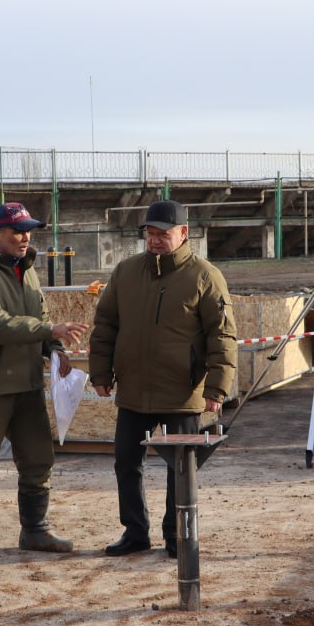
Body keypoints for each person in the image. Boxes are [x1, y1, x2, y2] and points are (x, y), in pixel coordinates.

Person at [88, 199, 237, 558]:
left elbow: (222, 335)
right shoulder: (125, 272)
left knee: (179, 470)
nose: (154, 240)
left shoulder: (205, 276)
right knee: (126, 462)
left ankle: (176, 537)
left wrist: (217, 388)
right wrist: (100, 373)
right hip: (134, 391)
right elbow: (106, 325)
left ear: (184, 233)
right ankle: (135, 533)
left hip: (181, 392)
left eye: (163, 233)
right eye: (150, 233)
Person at [0, 202, 90, 571]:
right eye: (16, 231)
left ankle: (35, 530)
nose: (25, 237)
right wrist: (48, 331)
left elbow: (38, 318)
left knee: (38, 460)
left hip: (26, 384)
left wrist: (55, 350)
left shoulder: (26, 271)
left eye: (28, 230)